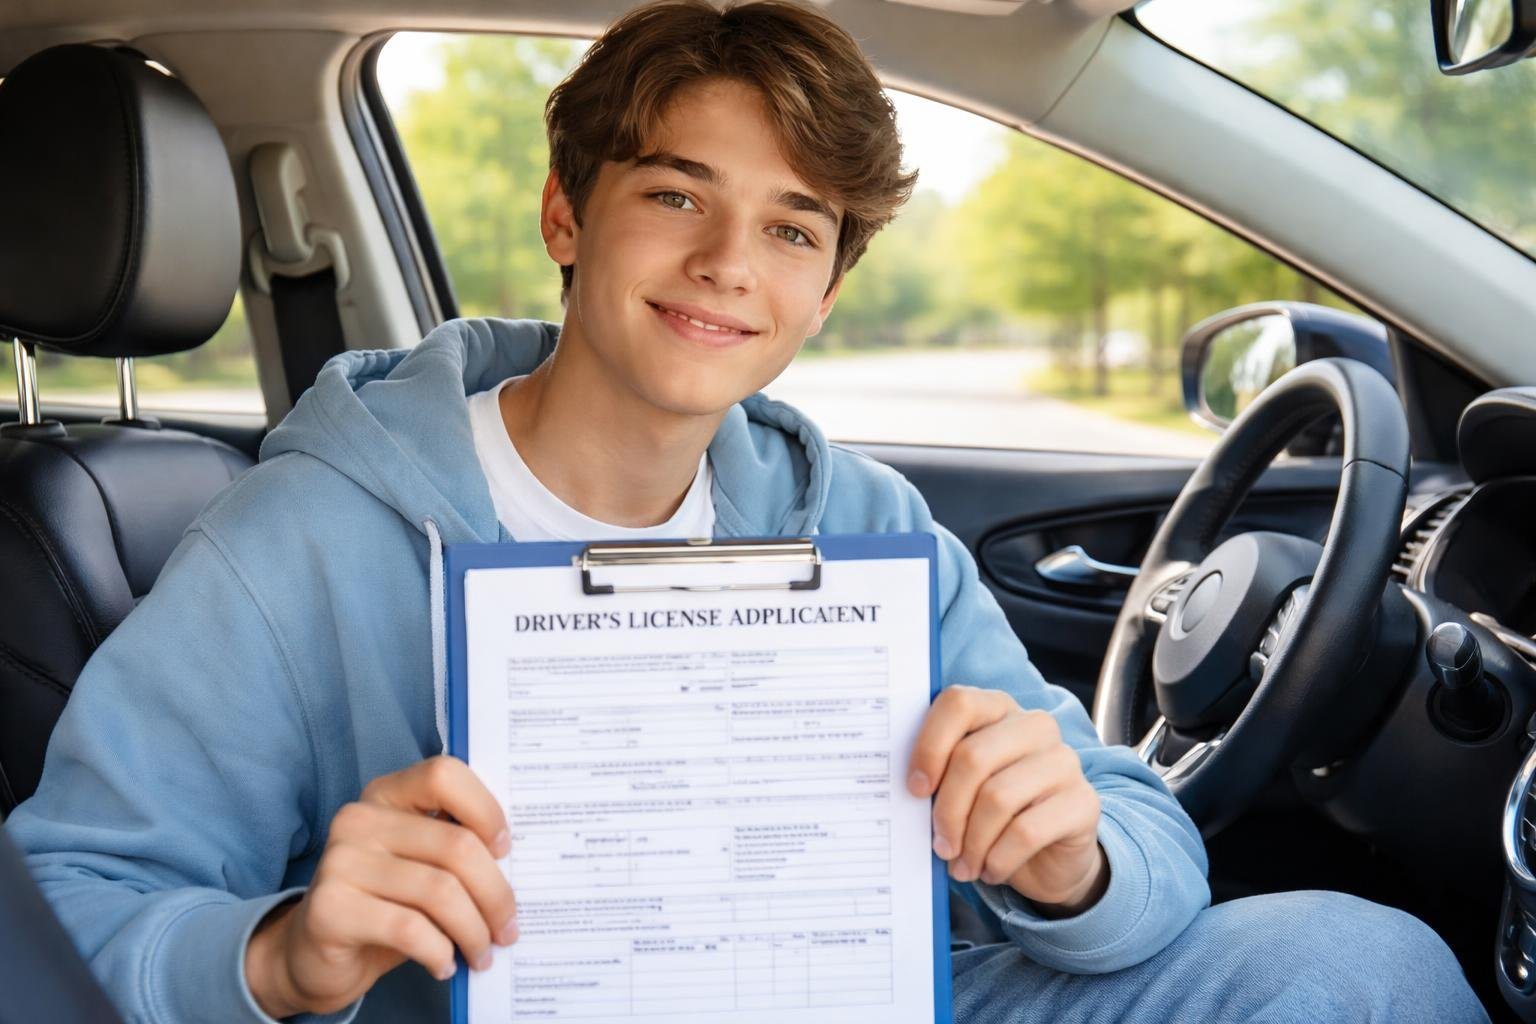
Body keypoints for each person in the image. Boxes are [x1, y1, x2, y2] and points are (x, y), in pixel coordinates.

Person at [6, 2, 1488, 1022]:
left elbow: (1138, 840)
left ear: (825, 292)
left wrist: (1073, 858)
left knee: (1356, 963)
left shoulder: (858, 517)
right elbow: (64, 909)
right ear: (567, 217)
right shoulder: (303, 541)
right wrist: (285, 953)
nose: (731, 261)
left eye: (791, 228)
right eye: (676, 195)